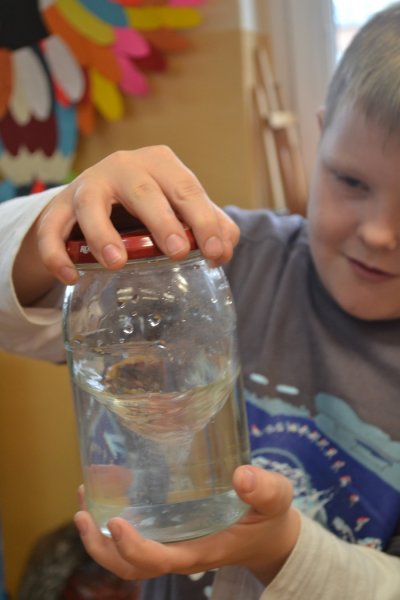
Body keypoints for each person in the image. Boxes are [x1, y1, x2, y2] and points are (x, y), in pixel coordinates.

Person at [2, 4, 400, 598]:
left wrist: (282, 549)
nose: (379, 234)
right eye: (351, 181)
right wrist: (56, 225)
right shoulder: (218, 261)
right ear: (318, 139)